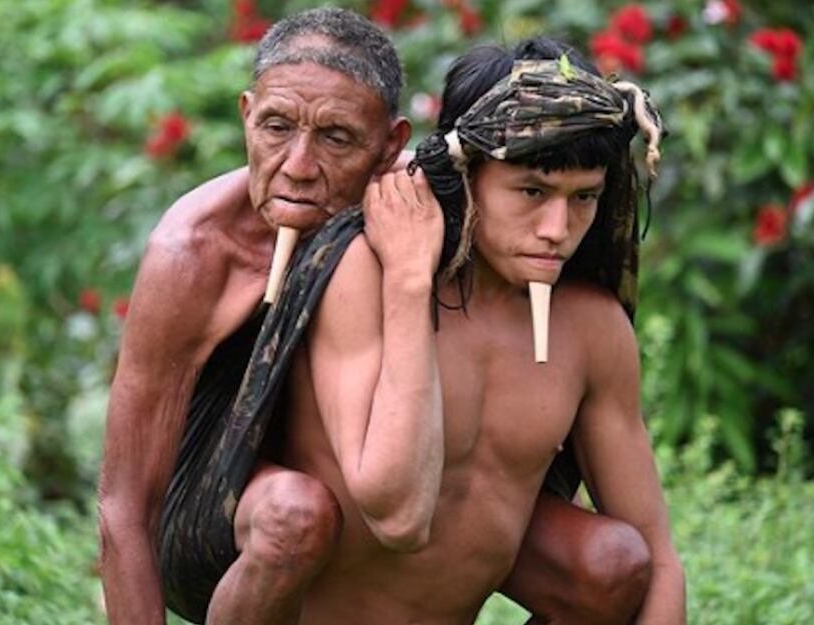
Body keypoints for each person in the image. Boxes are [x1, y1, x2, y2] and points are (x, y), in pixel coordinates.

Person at [98, 8, 657, 625]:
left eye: (336, 138)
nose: (299, 166)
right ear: (245, 116)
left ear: (392, 146)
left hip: (386, 507)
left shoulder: (419, 210)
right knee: (295, 514)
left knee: (608, 558)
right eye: (276, 127)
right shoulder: (196, 253)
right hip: (240, 515)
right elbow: (125, 505)